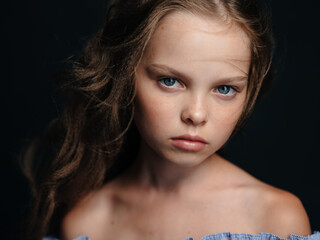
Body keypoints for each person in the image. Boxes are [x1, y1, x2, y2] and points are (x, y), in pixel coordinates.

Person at [23, 0, 319, 239]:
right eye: (170, 81)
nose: (196, 114)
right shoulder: (88, 223)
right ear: (126, 77)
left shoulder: (276, 218)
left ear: (250, 91)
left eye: (225, 89)